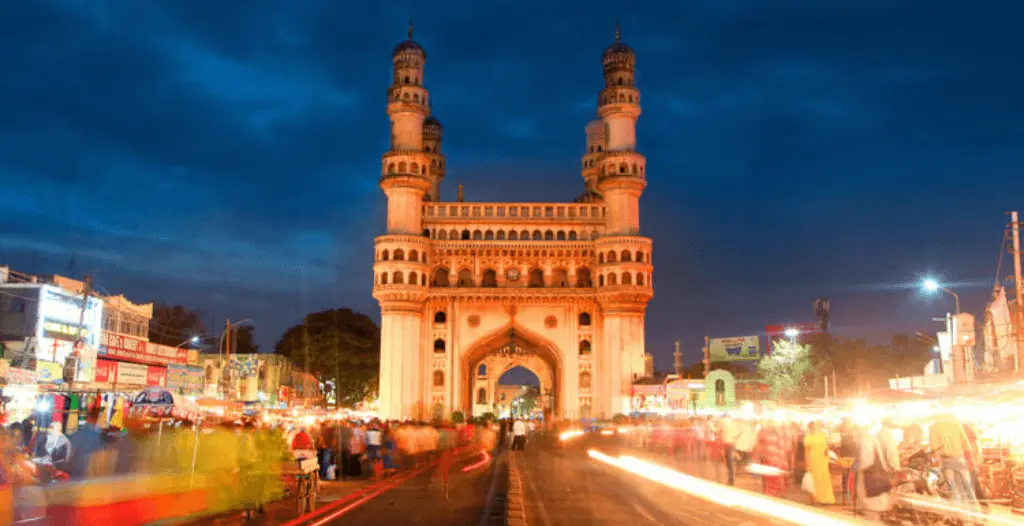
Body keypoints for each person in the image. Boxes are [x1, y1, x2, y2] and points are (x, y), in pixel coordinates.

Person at [929, 411, 977, 505]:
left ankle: (960, 513)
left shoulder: (934, 426)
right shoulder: (955, 423)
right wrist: (971, 459)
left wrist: (936, 460)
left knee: (953, 488)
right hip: (960, 458)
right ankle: (975, 513)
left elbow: (934, 447)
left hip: (947, 461)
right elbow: (965, 443)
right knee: (968, 486)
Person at [856, 419, 900, 521]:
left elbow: (865, 462)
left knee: (872, 515)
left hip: (871, 485)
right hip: (877, 484)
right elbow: (891, 456)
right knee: (874, 515)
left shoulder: (869, 438)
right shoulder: (878, 437)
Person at [803, 421, 835, 505]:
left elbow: (829, 443)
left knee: (824, 479)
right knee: (815, 481)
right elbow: (806, 452)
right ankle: (817, 499)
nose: (816, 428)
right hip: (814, 461)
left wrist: (827, 428)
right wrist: (807, 464)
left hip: (823, 461)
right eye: (814, 426)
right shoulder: (808, 438)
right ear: (810, 428)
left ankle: (826, 499)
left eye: (817, 426)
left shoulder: (822, 436)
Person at [68, 408, 105, 478]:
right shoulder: (100, 436)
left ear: (88, 417)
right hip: (93, 474)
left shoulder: (77, 433)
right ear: (97, 419)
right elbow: (101, 455)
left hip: (77, 472)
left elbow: (71, 454)